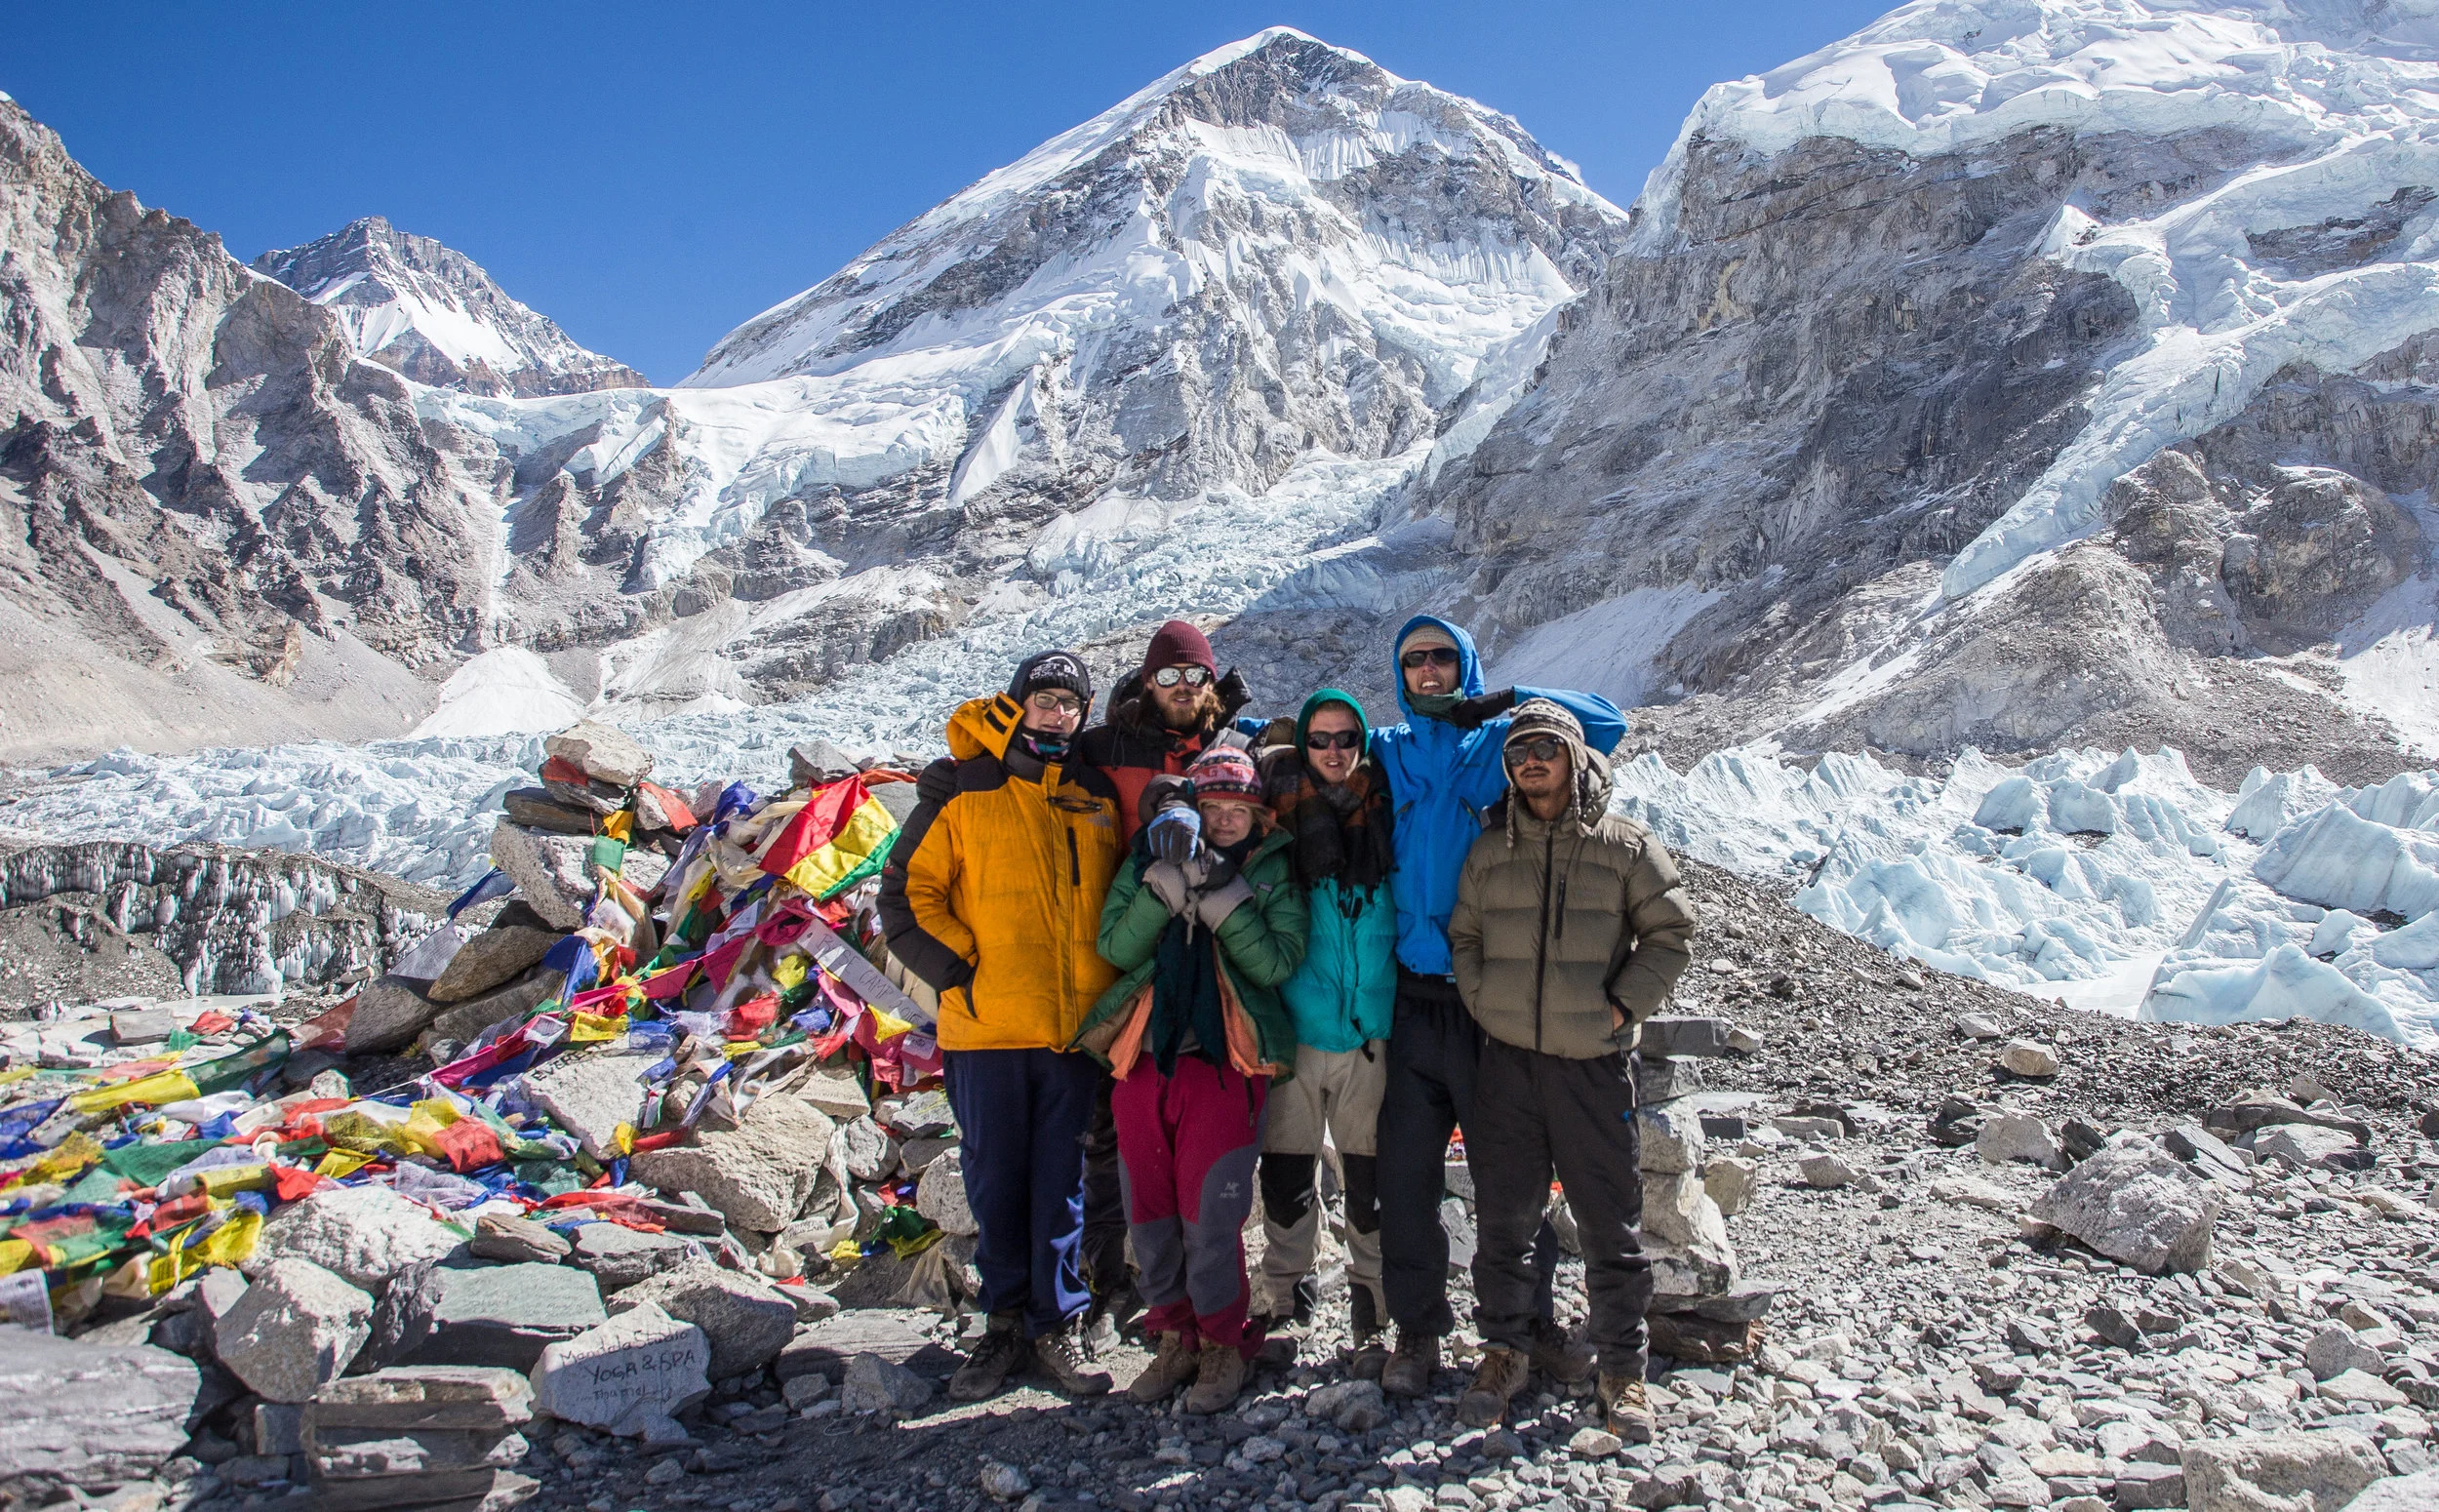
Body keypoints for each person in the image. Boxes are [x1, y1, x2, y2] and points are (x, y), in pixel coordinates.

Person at [1369, 615, 1628, 1398]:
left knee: (1509, 1179)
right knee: (1406, 1176)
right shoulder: (1388, 749)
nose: (1429, 670)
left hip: (1489, 1003)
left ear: (1466, 665)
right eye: (1414, 659)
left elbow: (1606, 724)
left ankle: (1526, 1324)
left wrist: (1506, 700)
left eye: (1444, 656)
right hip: (1408, 1001)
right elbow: (1308, 738)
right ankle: (1417, 1330)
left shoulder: (1505, 743)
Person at [876, 650, 1124, 1401]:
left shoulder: (1094, 793)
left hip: (1072, 1035)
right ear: (1019, 705)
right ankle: (1004, 1324)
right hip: (986, 1032)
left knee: (1061, 1184)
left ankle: (1056, 1326)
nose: (1057, 715)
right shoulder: (965, 787)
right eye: (1044, 700)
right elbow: (906, 895)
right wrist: (965, 972)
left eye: (1070, 705)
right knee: (994, 1181)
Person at [1448, 700, 1696, 1439]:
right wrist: (1485, 1000)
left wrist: (1621, 1009)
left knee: (1609, 1225)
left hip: (1590, 1068)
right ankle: (1505, 1352)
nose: (1530, 761)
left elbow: (1671, 932)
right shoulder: (1491, 849)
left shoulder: (1625, 846)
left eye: (1545, 748)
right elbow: (1464, 931)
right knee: (1505, 1222)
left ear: (1575, 757)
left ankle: (1622, 1369)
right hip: (1509, 1064)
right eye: (1519, 750)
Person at [1074, 745, 1305, 1413]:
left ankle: (1224, 1342)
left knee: (1211, 1214)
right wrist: (1163, 891)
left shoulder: (1270, 869)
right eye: (1216, 807)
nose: (1229, 820)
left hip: (1226, 1064)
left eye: (1242, 808)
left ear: (1259, 814)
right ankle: (1174, 1335)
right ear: (1194, 810)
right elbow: (1116, 947)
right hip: (1147, 1057)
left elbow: (1276, 964)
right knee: (1149, 1211)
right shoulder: (1150, 856)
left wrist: (1226, 904)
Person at [1071, 617, 1255, 1337]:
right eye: (1169, 676)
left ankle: (1213, 1293)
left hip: (1213, 954)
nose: (1182, 687)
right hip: (1125, 945)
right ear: (1148, 682)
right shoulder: (1106, 747)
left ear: (1211, 682)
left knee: (1209, 1124)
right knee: (1114, 1128)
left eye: (1194, 675)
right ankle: (1112, 1280)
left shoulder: (1238, 744)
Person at [1250, 690, 1396, 1351]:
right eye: (1319, 739)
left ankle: (1373, 1296)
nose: (1334, 752)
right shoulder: (1274, 820)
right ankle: (1286, 1291)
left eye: (1345, 739)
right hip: (1297, 1029)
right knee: (1286, 1174)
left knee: (1368, 1178)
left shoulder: (1392, 811)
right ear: (1300, 745)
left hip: (1371, 1033)